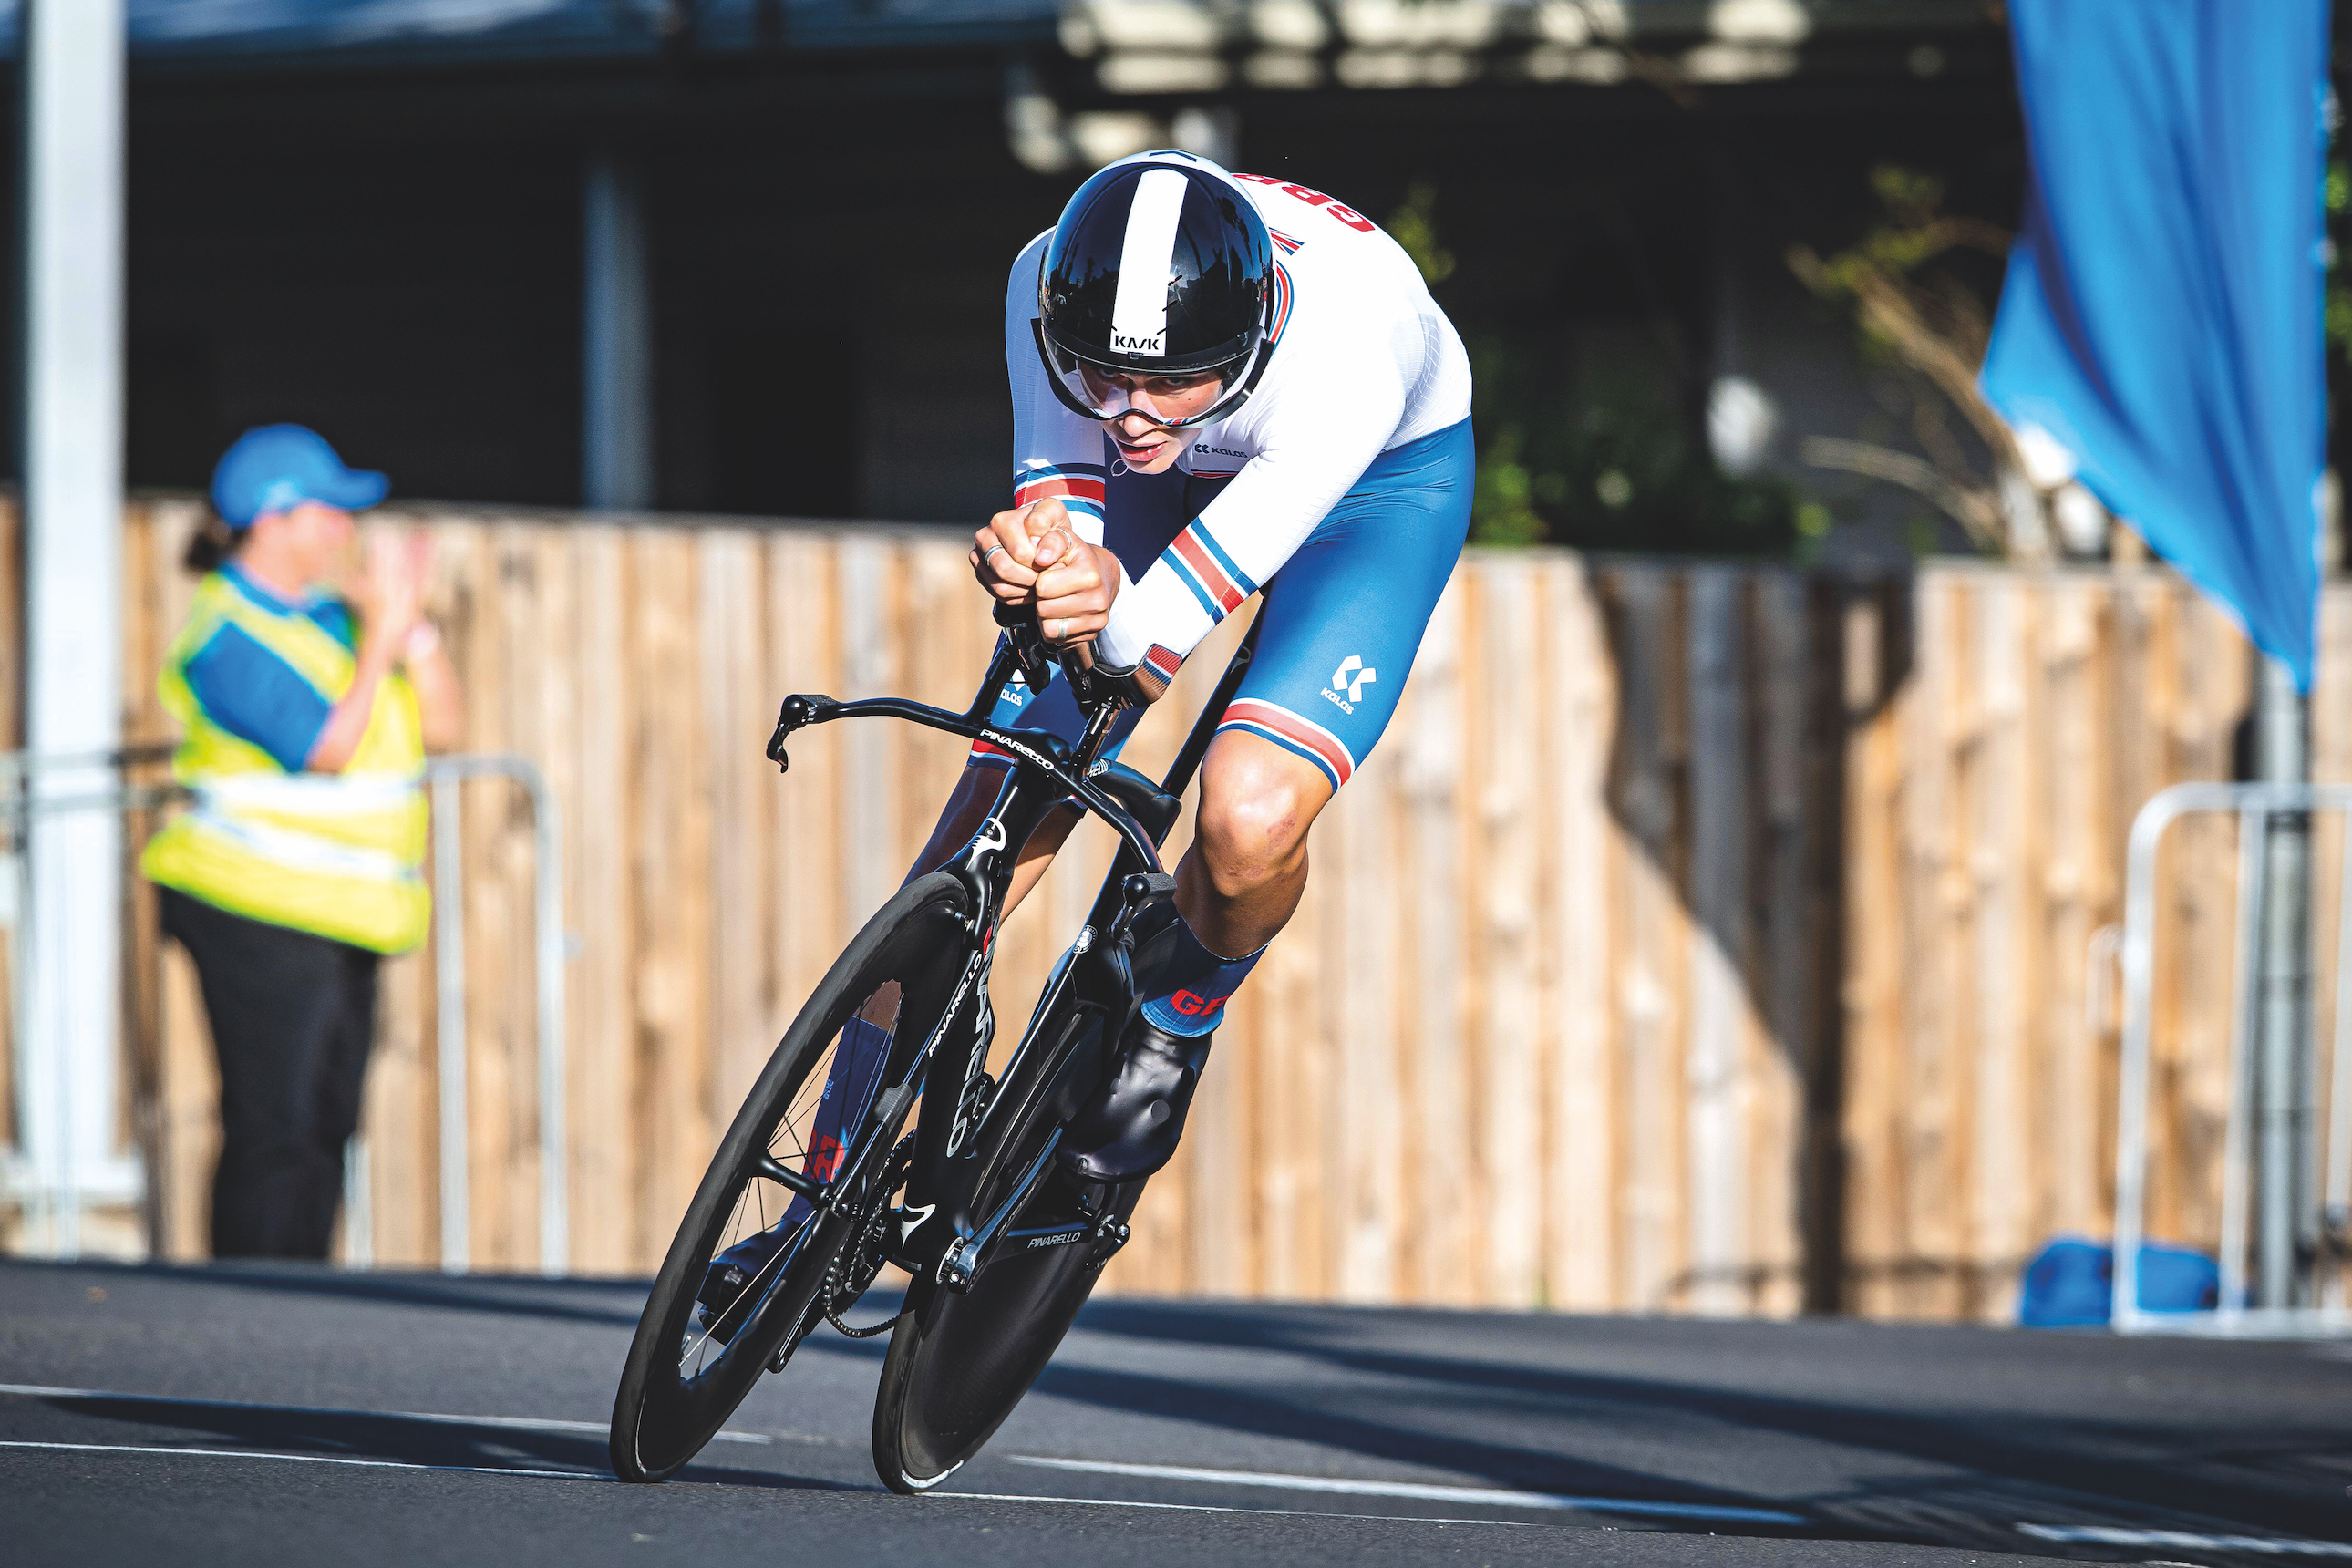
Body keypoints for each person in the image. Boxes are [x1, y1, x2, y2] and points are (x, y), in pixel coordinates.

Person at [703, 151, 1470, 1321]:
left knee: (1246, 820)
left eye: (1175, 380)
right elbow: (1064, 513)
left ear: (1252, 343)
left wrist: (1101, 596)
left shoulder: (1345, 360)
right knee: (981, 839)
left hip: (1368, 491)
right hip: (1169, 486)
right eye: (1103, 375)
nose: (1131, 409)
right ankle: (815, 1205)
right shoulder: (1039, 285)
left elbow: (1144, 629)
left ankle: (1180, 1016)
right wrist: (1036, 560)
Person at [142, 424, 462, 1260]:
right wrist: (382, 643)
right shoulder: (228, 634)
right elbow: (327, 748)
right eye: (328, 512)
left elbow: (447, 726)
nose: (343, 531)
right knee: (273, 1126)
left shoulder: (334, 624)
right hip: (252, 905)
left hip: (342, 913)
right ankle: (250, 1306)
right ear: (273, 518)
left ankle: (299, 1308)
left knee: (327, 1126)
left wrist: (411, 631)